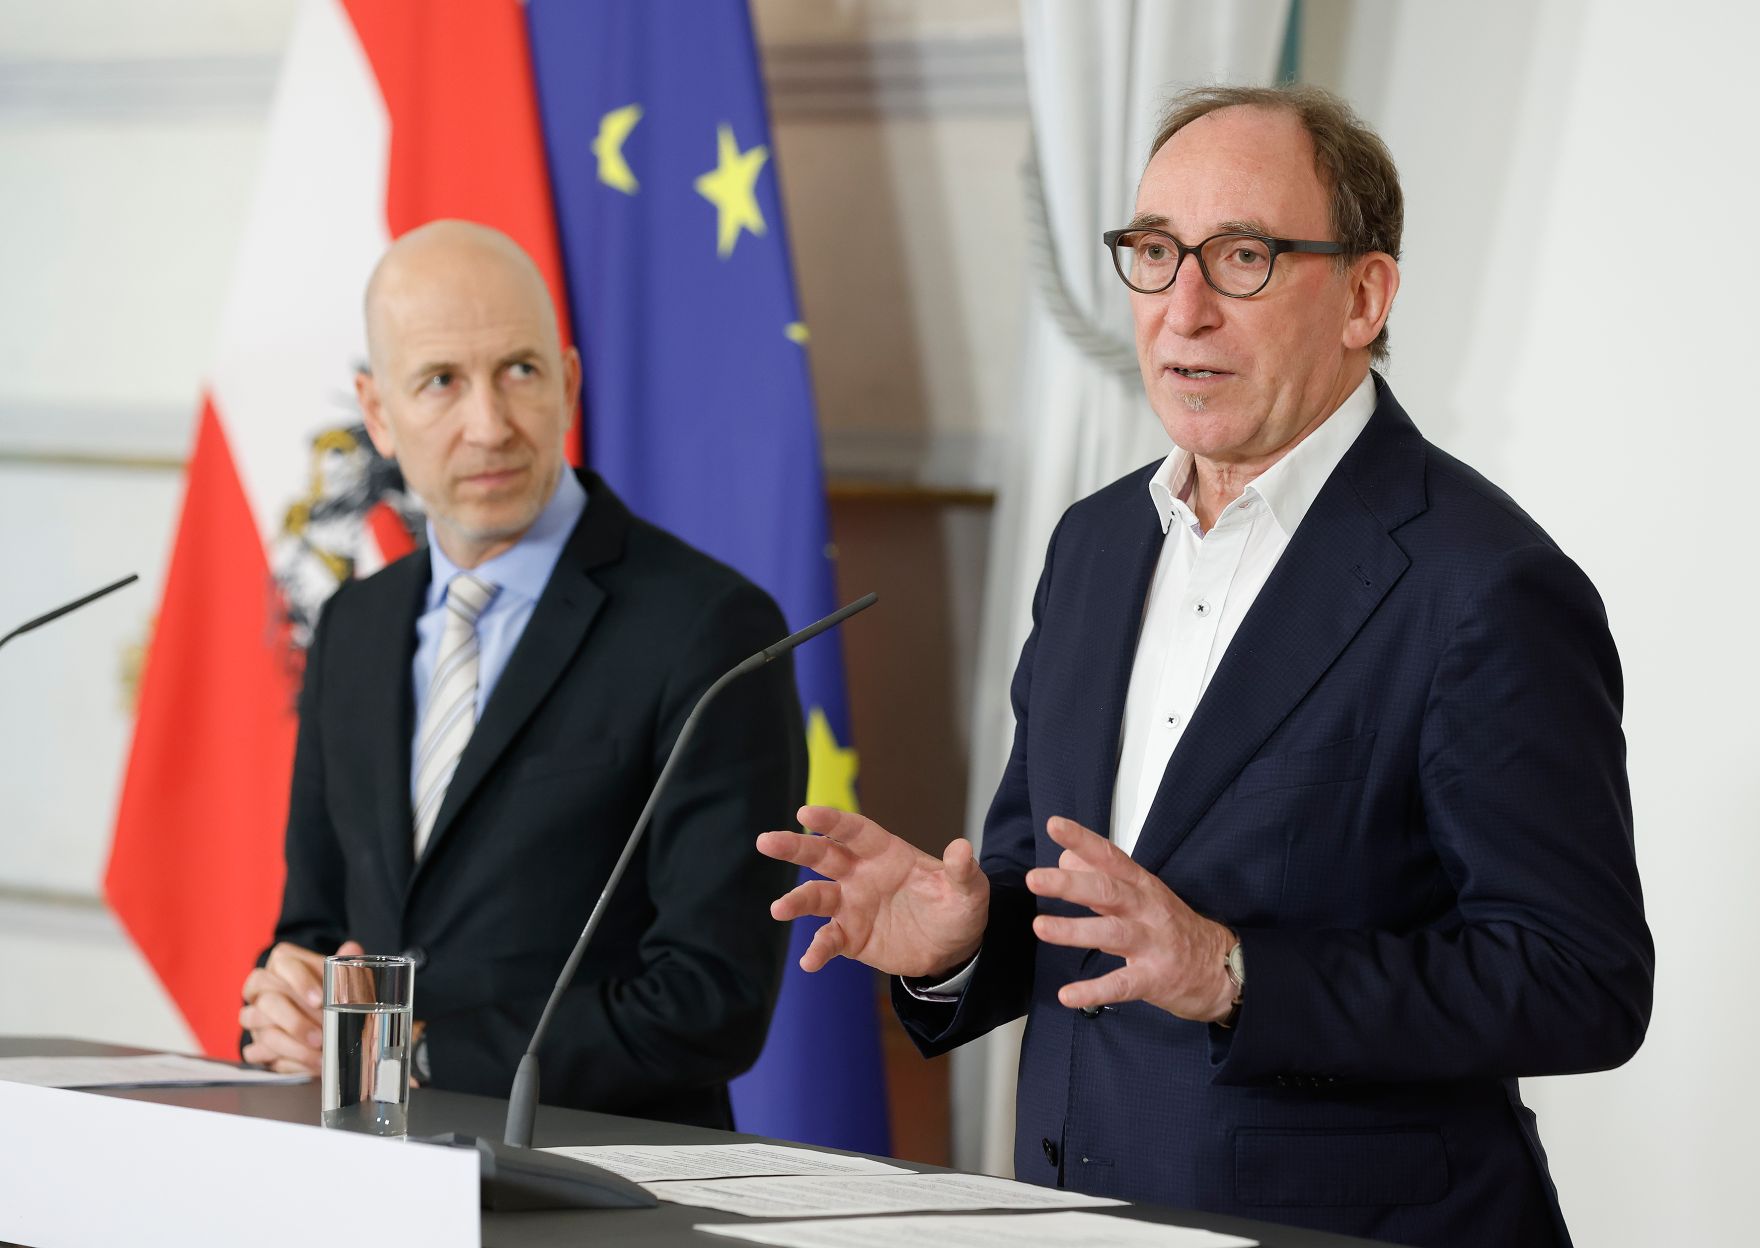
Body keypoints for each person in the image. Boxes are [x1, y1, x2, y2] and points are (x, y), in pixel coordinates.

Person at [757, 84, 1651, 1247]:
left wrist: (1234, 975)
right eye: (1153, 252)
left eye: (1241, 257)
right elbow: (1063, 892)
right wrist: (962, 943)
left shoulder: (1480, 584)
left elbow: (1578, 982)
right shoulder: (1093, 544)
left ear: (1363, 296)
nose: (1182, 310)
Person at [239, 220, 806, 1129]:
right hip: (367, 1169)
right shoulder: (353, 625)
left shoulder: (711, 628)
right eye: (440, 381)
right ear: (377, 413)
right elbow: (317, 930)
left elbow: (712, 999)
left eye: (520, 371)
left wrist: (412, 1054)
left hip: (596, 1178)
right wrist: (285, 1004)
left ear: (568, 383)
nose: (490, 425)